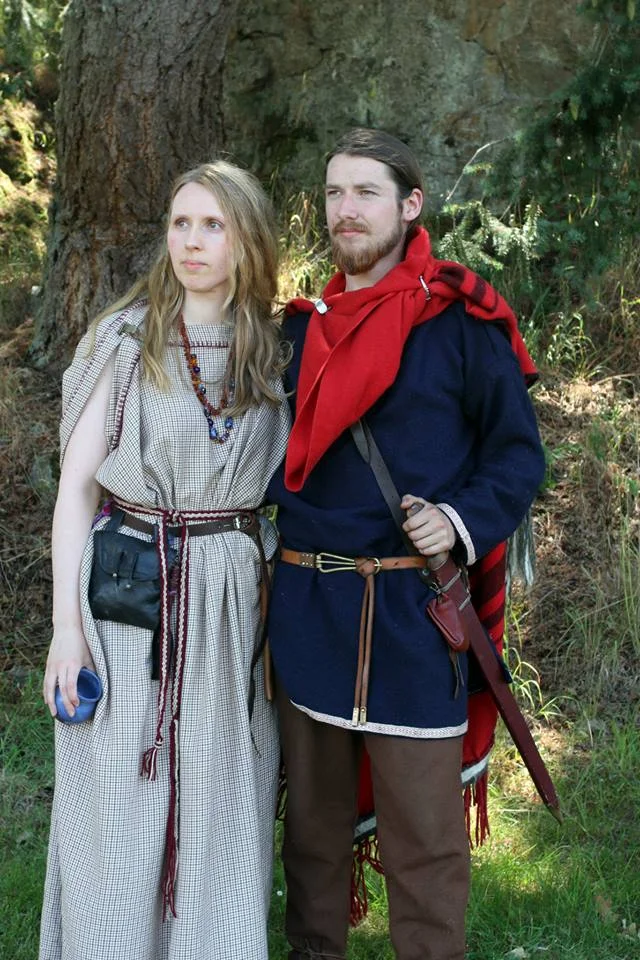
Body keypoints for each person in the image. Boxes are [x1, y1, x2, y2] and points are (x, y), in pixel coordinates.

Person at [266, 128, 546, 960]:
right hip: (309, 611)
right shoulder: (296, 334)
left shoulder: (462, 323)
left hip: (414, 620)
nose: (345, 210)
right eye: (334, 193)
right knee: (311, 836)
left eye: (366, 192)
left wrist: (457, 521)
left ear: (410, 204)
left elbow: (516, 455)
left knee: (425, 845)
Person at [40, 160, 290, 960]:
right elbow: (77, 489)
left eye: (213, 225)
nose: (192, 241)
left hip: (230, 608)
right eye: (181, 223)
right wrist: (65, 632)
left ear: (247, 239)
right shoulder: (126, 342)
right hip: (128, 595)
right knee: (122, 798)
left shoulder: (274, 352)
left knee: (222, 797)